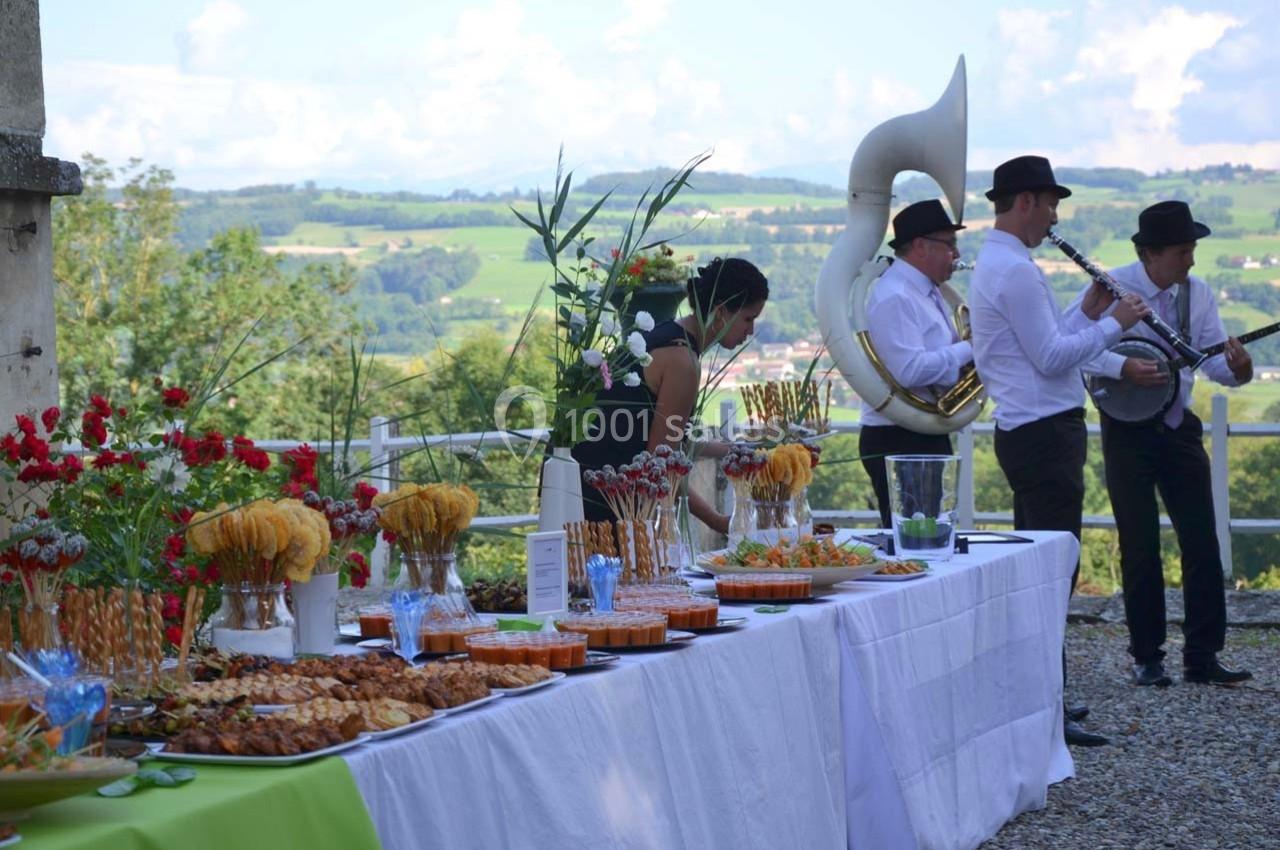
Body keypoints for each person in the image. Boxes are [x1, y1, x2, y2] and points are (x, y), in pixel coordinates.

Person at [969, 155, 1150, 748]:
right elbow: (1050, 359)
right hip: (1045, 434)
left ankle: (1044, 701)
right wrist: (1118, 322)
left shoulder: (1003, 263)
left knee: (1042, 571)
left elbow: (1044, 342)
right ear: (1025, 202)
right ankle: (1046, 709)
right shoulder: (1016, 270)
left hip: (1030, 430)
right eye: (1050, 205)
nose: (1054, 217)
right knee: (1053, 575)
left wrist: (1089, 311)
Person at [1077, 200, 1253, 688]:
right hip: (1126, 430)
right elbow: (1070, 348)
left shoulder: (1197, 294)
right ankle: (1147, 656)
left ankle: (1202, 656)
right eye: (1182, 251)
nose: (1191, 260)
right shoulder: (1109, 287)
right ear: (1151, 255)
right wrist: (1123, 368)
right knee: (1140, 544)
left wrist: (1240, 370)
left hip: (1178, 426)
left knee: (1201, 540)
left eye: (1192, 248)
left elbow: (1212, 364)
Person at [572, 257, 769, 533]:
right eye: (748, 319)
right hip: (604, 501)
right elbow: (662, 462)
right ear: (722, 311)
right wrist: (719, 521)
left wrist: (730, 451)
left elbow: (660, 436)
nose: (750, 331)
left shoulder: (665, 333)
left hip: (578, 482)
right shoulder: (683, 362)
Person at [859, 199, 973, 528]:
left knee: (930, 537)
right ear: (921, 246)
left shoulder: (925, 292)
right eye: (949, 244)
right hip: (899, 436)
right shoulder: (897, 296)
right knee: (917, 542)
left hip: (919, 430)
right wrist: (970, 350)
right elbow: (908, 371)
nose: (957, 254)